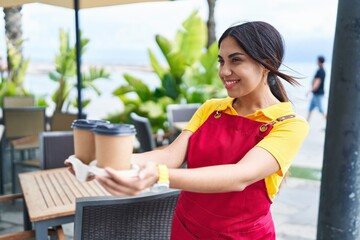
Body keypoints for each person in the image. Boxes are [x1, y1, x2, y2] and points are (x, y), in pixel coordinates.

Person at [67, 21, 309, 239]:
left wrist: (159, 176)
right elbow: (171, 155)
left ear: (267, 64)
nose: (224, 71)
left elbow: (240, 176)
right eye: (221, 61)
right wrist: (105, 163)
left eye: (236, 60)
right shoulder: (211, 108)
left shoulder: (289, 125)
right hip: (186, 227)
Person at [306, 55, 327, 122]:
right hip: (316, 94)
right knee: (310, 109)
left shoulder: (321, 71)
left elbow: (317, 82)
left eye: (317, 60)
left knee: (321, 110)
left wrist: (309, 91)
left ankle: (330, 123)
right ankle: (307, 123)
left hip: (318, 94)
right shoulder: (321, 70)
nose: (316, 62)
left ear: (319, 61)